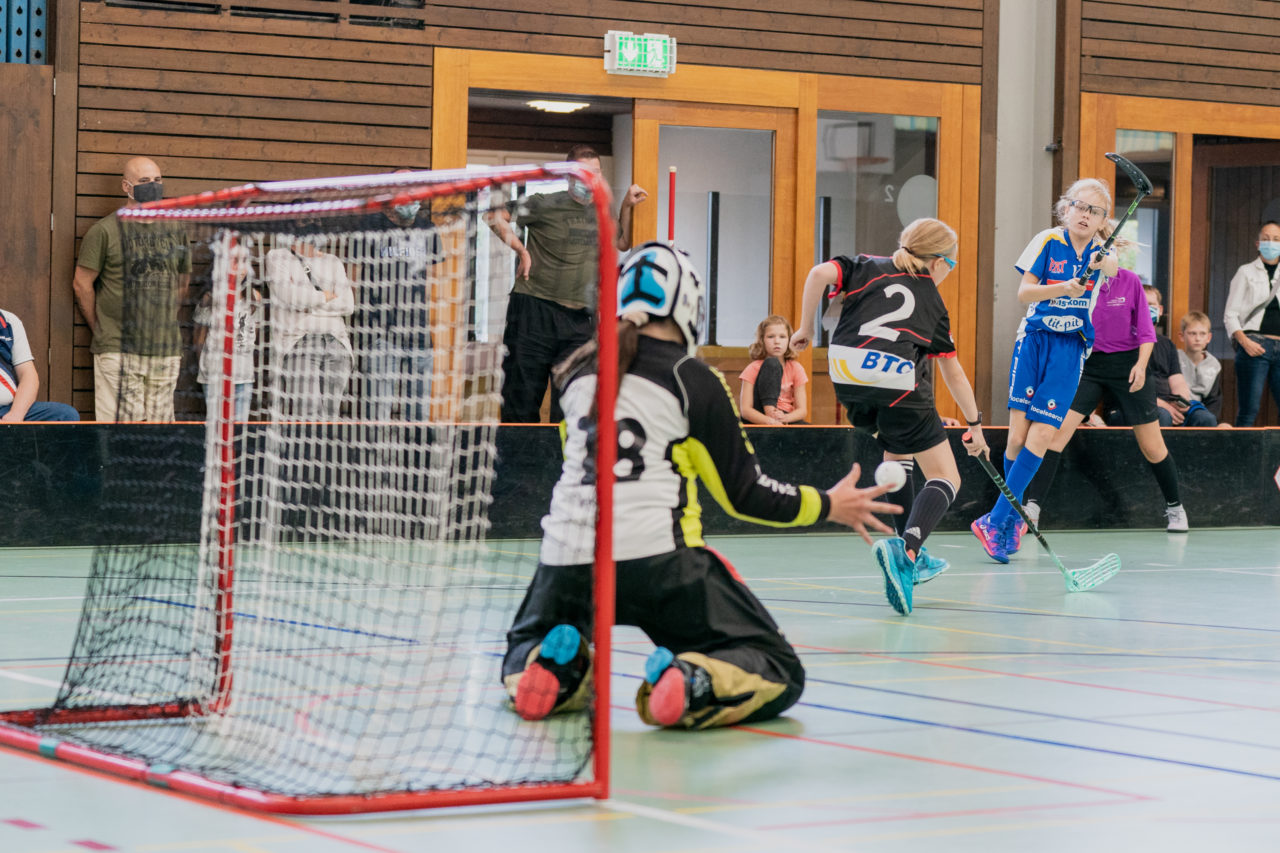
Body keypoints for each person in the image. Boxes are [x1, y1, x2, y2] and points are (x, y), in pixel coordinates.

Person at [502, 242, 901, 730]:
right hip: (660, 566)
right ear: (689, 304)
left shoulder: (576, 372)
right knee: (779, 670)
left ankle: (549, 668)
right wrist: (828, 504)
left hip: (565, 563)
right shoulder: (693, 380)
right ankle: (690, 680)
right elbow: (744, 494)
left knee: (524, 644)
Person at [791, 218, 988, 616]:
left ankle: (911, 548)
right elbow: (953, 372)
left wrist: (804, 328)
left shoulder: (864, 265)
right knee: (946, 476)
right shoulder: (934, 302)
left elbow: (817, 273)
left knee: (898, 458)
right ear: (937, 262)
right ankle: (908, 553)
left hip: (846, 375)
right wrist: (974, 424)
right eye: (951, 264)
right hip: (895, 380)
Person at [971, 178, 1118, 563]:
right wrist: (1063, 288)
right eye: (1079, 206)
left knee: (1043, 435)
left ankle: (997, 519)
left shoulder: (1103, 251)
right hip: (1035, 341)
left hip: (1071, 350)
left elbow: (1115, 268)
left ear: (1104, 220)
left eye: (1095, 211)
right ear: (1065, 208)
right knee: (1017, 437)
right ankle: (1007, 523)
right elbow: (1024, 292)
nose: (1085, 215)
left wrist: (1105, 260)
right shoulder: (1048, 240)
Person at [1020, 267, 1190, 533]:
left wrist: (1142, 366)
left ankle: (1175, 508)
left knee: (1152, 446)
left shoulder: (1130, 280)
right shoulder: (1077, 280)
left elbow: (1147, 331)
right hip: (1089, 365)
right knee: (1054, 436)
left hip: (1129, 365)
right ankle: (1032, 510)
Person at [488, 144, 647, 423]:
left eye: (596, 173)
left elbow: (622, 242)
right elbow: (494, 216)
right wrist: (520, 250)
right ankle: (522, 465)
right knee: (521, 402)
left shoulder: (601, 211)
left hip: (579, 319)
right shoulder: (544, 203)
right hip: (534, 310)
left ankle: (563, 465)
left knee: (574, 405)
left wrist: (625, 205)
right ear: (568, 176)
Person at [72, 156, 190, 422]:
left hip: (164, 349)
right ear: (126, 186)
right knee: (120, 437)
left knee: (159, 438)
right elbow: (82, 284)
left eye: (158, 180)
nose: (153, 186)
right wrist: (100, 328)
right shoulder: (104, 230)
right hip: (117, 349)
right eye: (145, 181)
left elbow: (182, 281)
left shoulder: (174, 228)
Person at [355, 171, 437, 422]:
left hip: (420, 334)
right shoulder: (369, 225)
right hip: (381, 332)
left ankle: (416, 460)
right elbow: (354, 274)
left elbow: (436, 281)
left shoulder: (428, 227)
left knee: (419, 415)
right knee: (378, 414)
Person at [264, 213, 356, 419]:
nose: (313, 225)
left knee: (331, 414)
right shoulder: (277, 257)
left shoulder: (333, 261)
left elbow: (348, 304)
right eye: (306, 220)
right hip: (300, 341)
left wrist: (311, 303)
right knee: (307, 413)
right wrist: (326, 296)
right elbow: (289, 297)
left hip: (337, 342)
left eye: (317, 220)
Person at [1122, 285, 1216, 429]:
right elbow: (1127, 388)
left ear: (1159, 310)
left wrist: (1181, 401)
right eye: (1141, 304)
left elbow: (1177, 380)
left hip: (1166, 404)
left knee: (1205, 419)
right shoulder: (1122, 343)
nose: (1145, 309)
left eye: (1150, 305)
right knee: (1163, 416)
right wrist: (1164, 406)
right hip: (1133, 403)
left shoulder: (1167, 344)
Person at [192, 243, 260, 421]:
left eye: (244, 261)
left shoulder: (254, 297)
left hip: (243, 375)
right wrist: (205, 365)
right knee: (216, 426)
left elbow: (254, 334)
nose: (240, 268)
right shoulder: (211, 297)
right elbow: (199, 336)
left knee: (239, 429)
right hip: (215, 375)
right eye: (234, 261)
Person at [1222, 220, 1280, 426]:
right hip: (1255, 345)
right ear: (1257, 243)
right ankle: (1241, 457)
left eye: (1276, 239)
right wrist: (1244, 342)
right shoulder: (1245, 272)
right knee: (1249, 408)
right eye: (1266, 239)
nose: (1271, 243)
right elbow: (1230, 314)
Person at [0, 309, 79, 422]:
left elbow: (28, 375)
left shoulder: (8, 321)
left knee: (65, 415)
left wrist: (15, 415)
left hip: (7, 411)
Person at [739, 314, 808, 425]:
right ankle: (770, 413)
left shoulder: (796, 368)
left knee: (819, 436)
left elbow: (802, 410)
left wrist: (785, 418)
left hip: (785, 417)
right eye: (771, 337)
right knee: (772, 363)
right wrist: (770, 421)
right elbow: (746, 410)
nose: (777, 341)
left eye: (782, 337)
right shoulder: (753, 368)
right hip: (759, 417)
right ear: (762, 340)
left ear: (789, 340)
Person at [1177, 310, 1225, 424]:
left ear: (1209, 337)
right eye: (1192, 333)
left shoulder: (1214, 365)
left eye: (1202, 334)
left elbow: (1214, 399)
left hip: (1200, 412)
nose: (1197, 338)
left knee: (1209, 420)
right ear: (1181, 336)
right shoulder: (1174, 358)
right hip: (1177, 408)